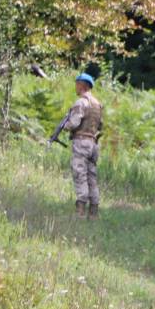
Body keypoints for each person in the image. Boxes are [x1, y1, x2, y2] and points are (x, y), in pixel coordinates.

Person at [51, 73, 104, 218]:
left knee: (80, 175)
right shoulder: (97, 104)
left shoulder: (81, 102)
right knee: (91, 177)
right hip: (93, 144)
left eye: (77, 83)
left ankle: (80, 211)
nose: (75, 86)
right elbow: (101, 126)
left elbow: (74, 123)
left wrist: (66, 126)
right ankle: (94, 213)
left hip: (81, 143)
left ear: (82, 85)